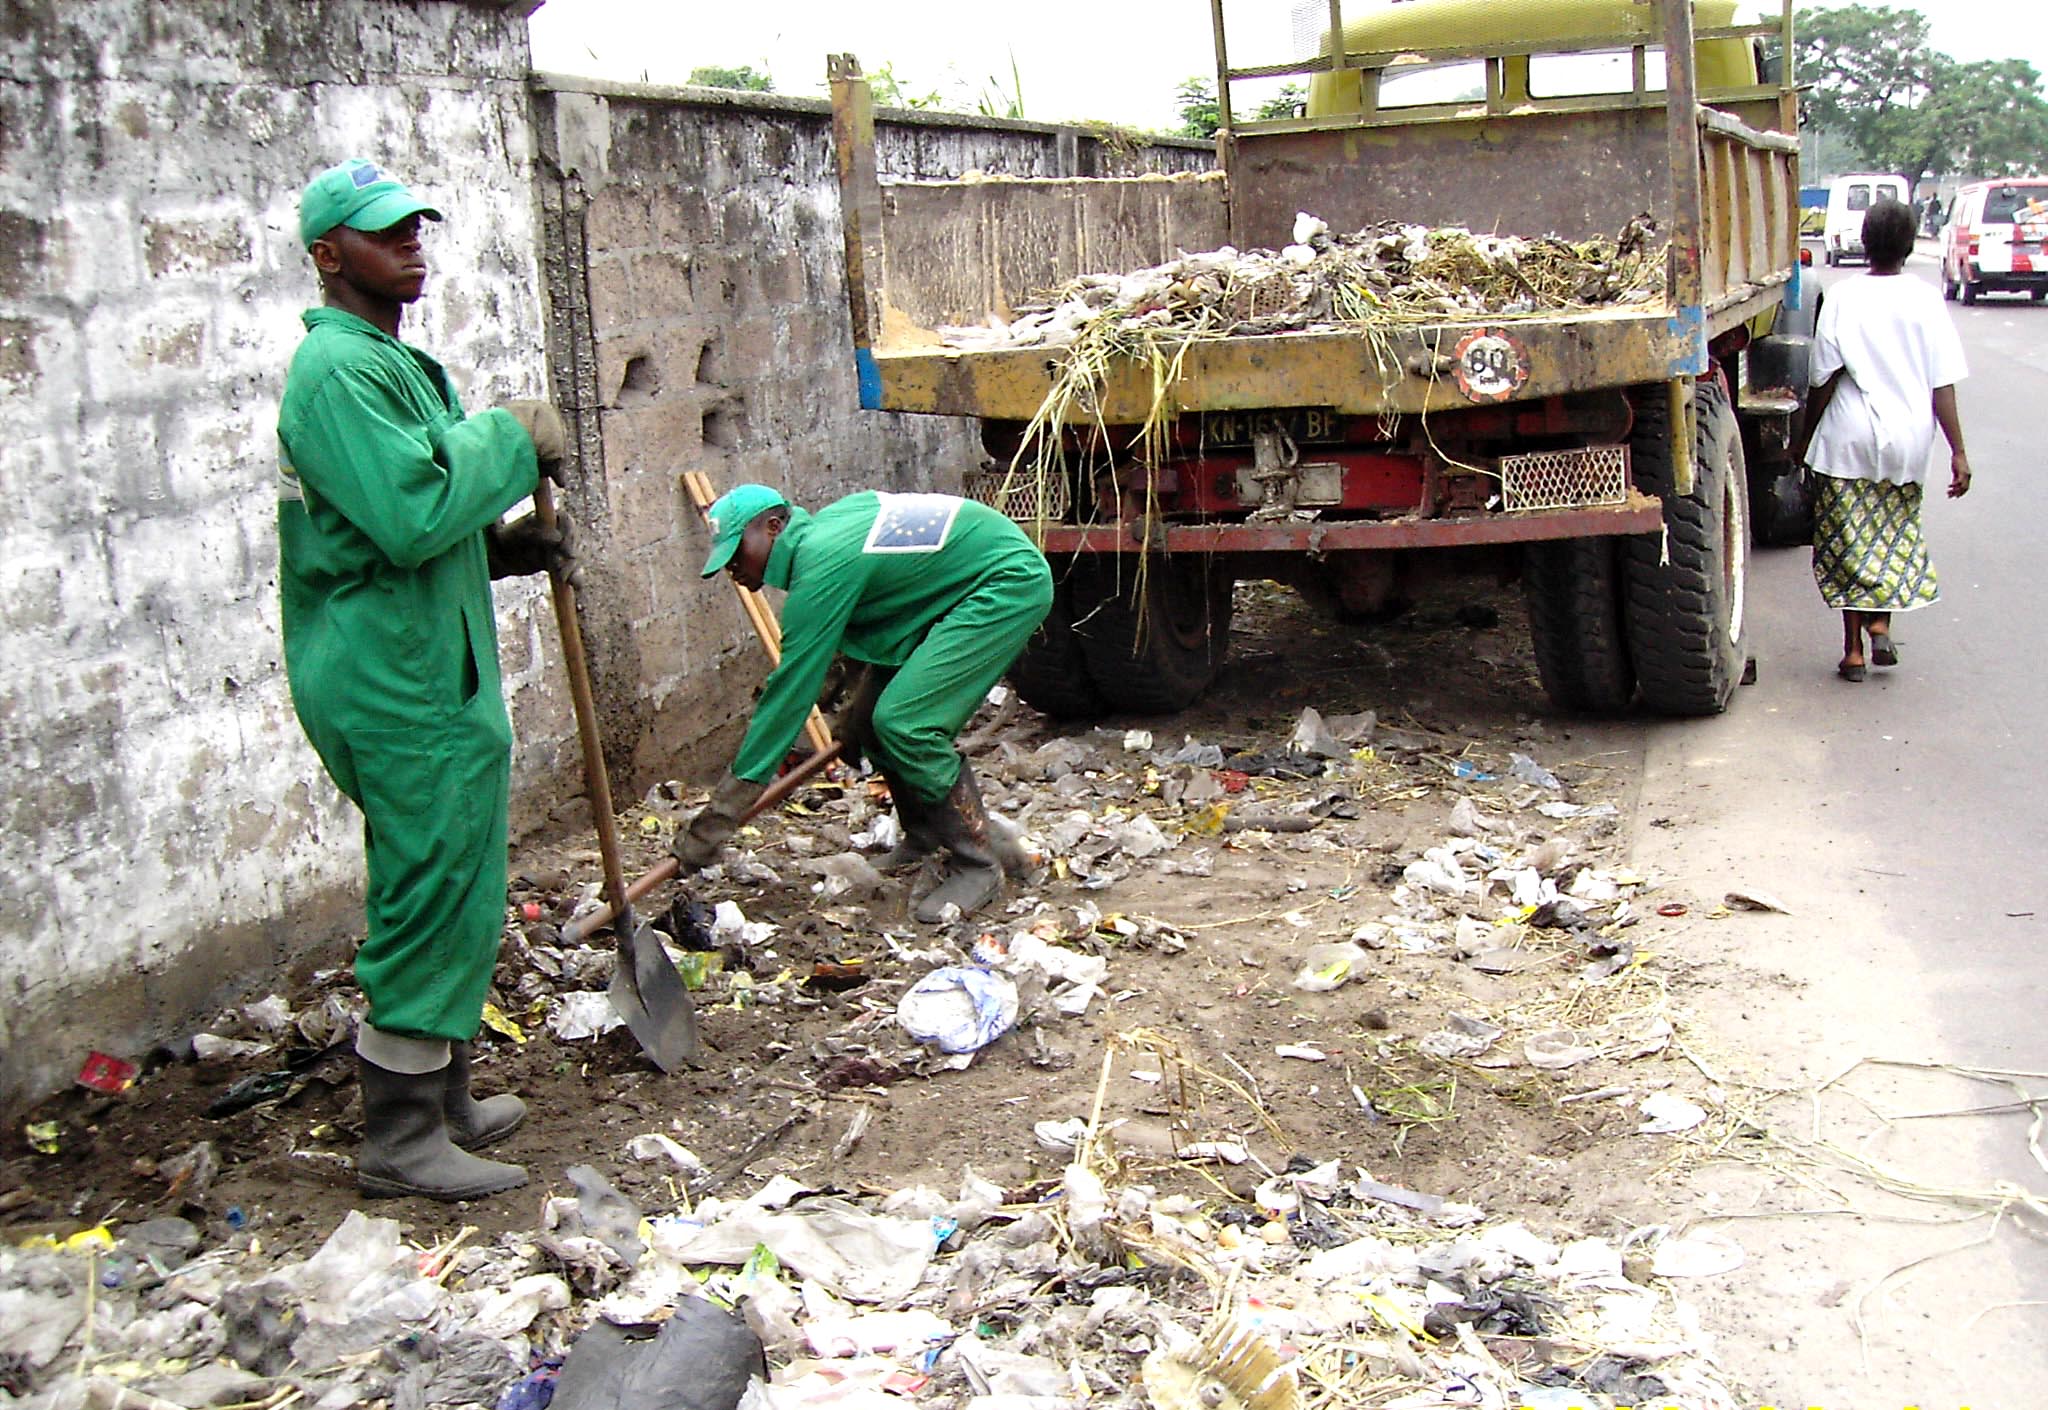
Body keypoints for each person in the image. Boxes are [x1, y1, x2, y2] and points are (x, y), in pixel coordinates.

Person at [277, 159, 573, 1200]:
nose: (410, 243)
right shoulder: (338, 376)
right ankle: (398, 1137)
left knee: (461, 881)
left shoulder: (396, 366)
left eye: (414, 225)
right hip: (389, 677)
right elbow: (408, 517)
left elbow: (400, 525)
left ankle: (443, 1094)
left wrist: (503, 551)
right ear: (327, 255)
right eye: (380, 231)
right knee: (427, 884)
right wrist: (509, 435)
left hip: (429, 663)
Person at [673, 485, 1052, 921]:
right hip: (948, 593)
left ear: (774, 527)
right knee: (870, 723)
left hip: (1005, 584)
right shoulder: (826, 536)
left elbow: (788, 697)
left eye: (738, 552)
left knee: (907, 723)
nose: (733, 569)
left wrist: (720, 817)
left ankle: (978, 865)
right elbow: (866, 621)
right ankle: (924, 835)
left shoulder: (822, 564)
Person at [1794, 196, 1971, 683]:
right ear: (1911, 245)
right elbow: (1943, 383)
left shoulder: (1843, 297)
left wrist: (1802, 442)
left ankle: (1852, 650)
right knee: (1890, 538)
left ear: (1864, 242)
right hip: (1908, 442)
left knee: (1847, 543)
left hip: (1846, 441)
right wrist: (1958, 450)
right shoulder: (1926, 300)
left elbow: (1822, 379)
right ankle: (1879, 624)